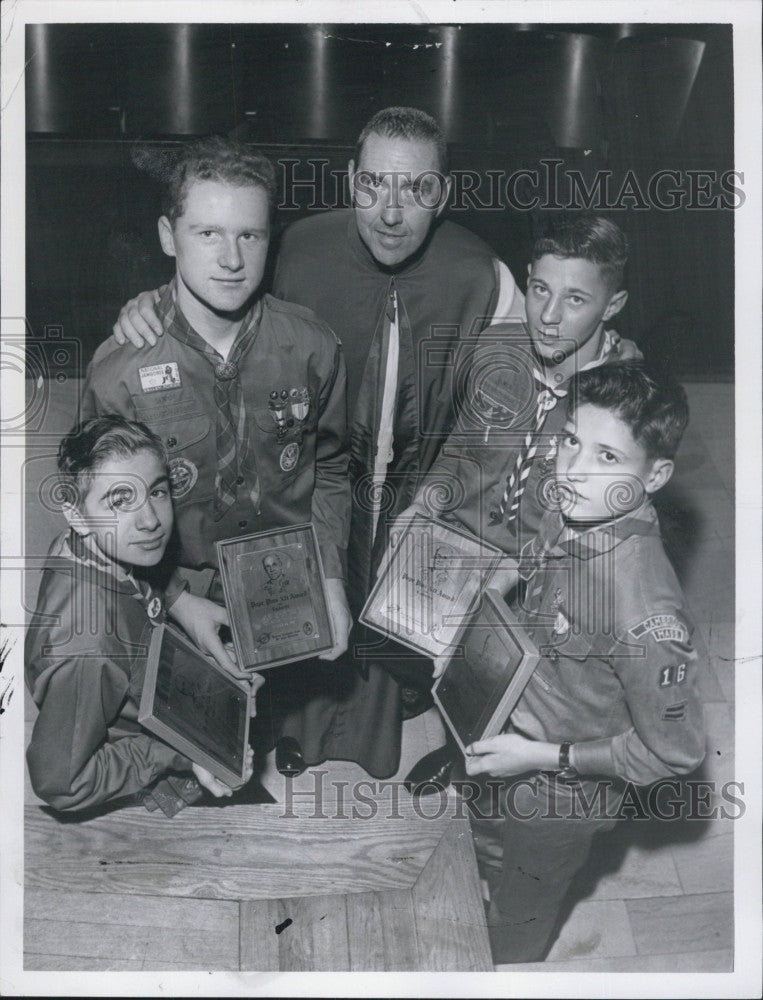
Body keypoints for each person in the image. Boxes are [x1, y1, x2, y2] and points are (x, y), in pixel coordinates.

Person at [109, 108, 524, 778]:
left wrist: (445, 490)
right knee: (305, 600)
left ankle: (375, 731)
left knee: (386, 604)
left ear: (441, 194)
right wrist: (149, 303)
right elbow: (216, 282)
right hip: (314, 478)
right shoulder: (297, 246)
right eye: (374, 186)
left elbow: (507, 404)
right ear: (350, 179)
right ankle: (294, 724)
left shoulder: (480, 271)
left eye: (415, 190)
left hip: (416, 489)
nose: (391, 213)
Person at [437, 362, 707, 963]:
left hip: (563, 789)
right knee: (489, 846)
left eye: (608, 458)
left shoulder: (644, 610)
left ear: (656, 475)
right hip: (511, 723)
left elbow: (676, 752)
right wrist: (490, 587)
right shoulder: (577, 504)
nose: (573, 470)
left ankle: (509, 962)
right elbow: (536, 558)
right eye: (571, 440)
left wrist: (537, 757)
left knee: (525, 900)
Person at [80, 137, 352, 688]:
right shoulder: (121, 372)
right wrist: (175, 600)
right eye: (207, 234)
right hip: (176, 588)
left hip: (284, 579)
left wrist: (330, 575)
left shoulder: (313, 348)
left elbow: (332, 470)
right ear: (167, 237)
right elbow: (101, 511)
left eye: (248, 235)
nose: (231, 260)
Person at [401, 214, 640, 787]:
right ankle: (448, 699)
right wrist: (424, 504)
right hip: (471, 543)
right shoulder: (500, 347)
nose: (549, 317)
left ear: (612, 306)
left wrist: (511, 574)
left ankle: (475, 762)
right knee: (431, 639)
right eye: (540, 290)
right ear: (527, 280)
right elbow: (463, 444)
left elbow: (593, 531)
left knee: (522, 683)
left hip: (552, 572)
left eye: (576, 299)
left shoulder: (624, 403)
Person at [25, 416, 256, 813]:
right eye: (120, 500)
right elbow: (58, 783)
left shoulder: (94, 543)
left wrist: (179, 603)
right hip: (131, 730)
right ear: (76, 515)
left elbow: (134, 588)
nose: (151, 521)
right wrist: (177, 755)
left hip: (142, 674)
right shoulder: (88, 650)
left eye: (158, 492)